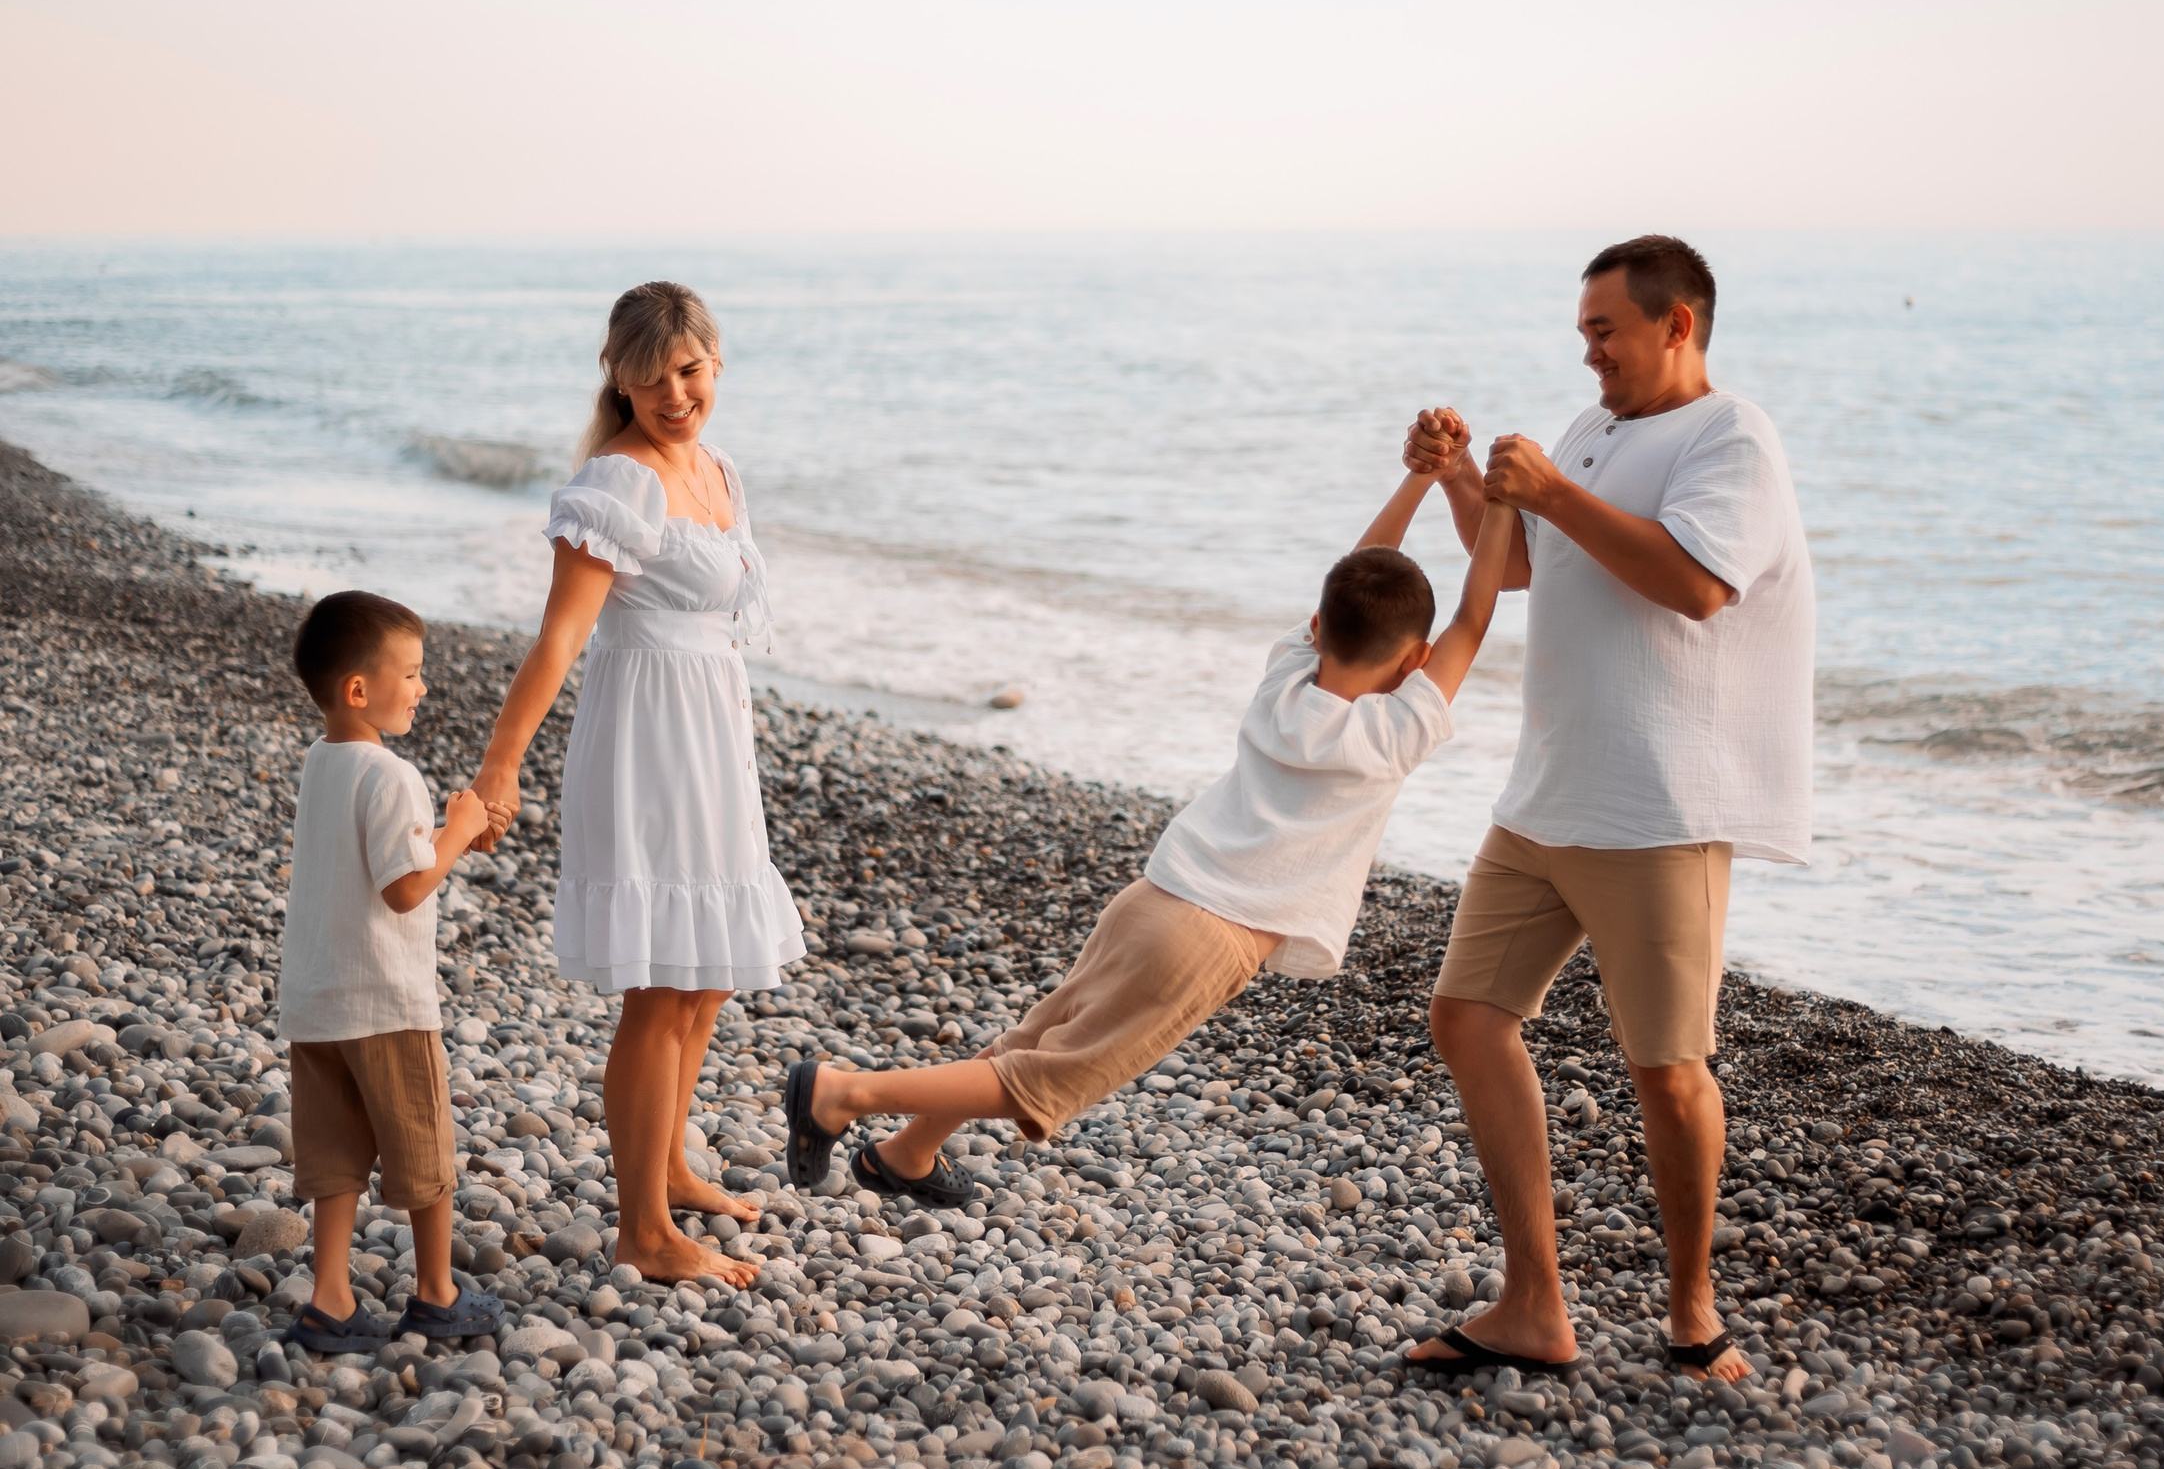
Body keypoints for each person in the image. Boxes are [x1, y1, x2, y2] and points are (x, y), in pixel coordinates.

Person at [780, 464, 1522, 1202]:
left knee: (1033, 1038)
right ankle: (845, 1094)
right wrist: (1497, 506)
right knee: (1045, 1076)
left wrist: (1421, 480)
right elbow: (1474, 618)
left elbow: (1363, 583)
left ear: (1320, 627)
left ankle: (906, 1153)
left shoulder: (1285, 677)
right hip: (1211, 937)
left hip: (1156, 890)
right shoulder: (1393, 730)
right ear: (1416, 661)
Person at [1400, 234, 1814, 1382]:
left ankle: (1693, 1313)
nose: (1587, 353)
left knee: (1666, 1066)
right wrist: (1458, 481)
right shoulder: (1595, 432)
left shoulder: (1731, 438)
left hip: (1656, 803)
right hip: (1544, 793)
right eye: (1583, 330)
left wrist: (1556, 491)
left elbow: (1695, 583)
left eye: (1603, 330)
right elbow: (1526, 558)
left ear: (1675, 322)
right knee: (1467, 1014)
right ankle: (1534, 1301)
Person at [469, 281, 804, 1288]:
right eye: (652, 376)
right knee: (661, 986)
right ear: (618, 375)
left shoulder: (715, 470)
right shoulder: (616, 483)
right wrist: (500, 764)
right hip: (647, 741)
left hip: (710, 731)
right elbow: (562, 635)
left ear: (715, 361)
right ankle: (643, 1229)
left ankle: (667, 1168)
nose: (675, 393)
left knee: (701, 976)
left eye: (691, 370)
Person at [276, 590, 507, 1350]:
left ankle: (331, 1297)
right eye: (410, 672)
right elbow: (406, 886)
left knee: (335, 1154)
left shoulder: (321, 760)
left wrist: (443, 839)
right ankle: (437, 1292)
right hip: (387, 1002)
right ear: (357, 690)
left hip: (317, 1001)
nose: (422, 686)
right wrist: (459, 826)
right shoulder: (391, 774)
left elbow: (369, 863)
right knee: (421, 1151)